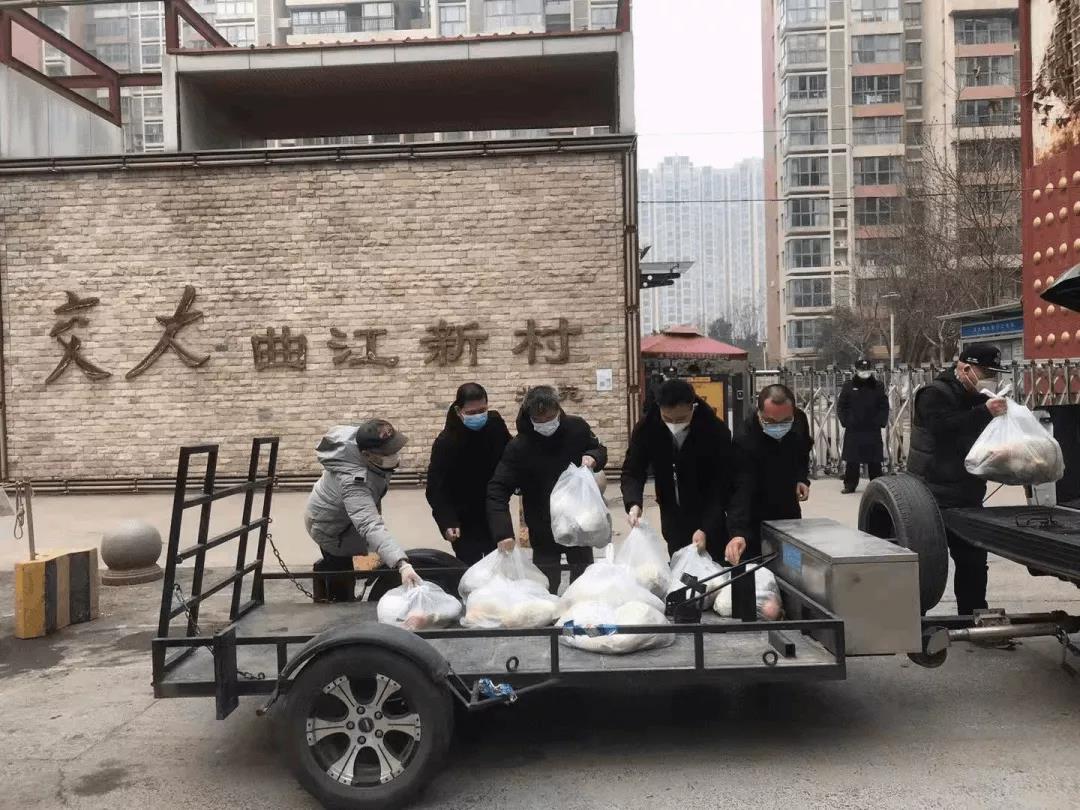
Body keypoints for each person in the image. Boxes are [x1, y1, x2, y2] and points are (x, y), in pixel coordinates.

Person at [906, 343, 1009, 616]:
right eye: (985, 372)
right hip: (930, 495)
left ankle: (972, 617)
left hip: (967, 493)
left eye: (994, 374)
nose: (990, 379)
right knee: (924, 564)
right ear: (964, 368)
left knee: (973, 561)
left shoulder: (978, 397)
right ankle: (914, 623)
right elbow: (943, 428)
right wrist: (985, 412)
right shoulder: (933, 394)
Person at [487, 385, 608, 592]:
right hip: (542, 524)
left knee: (584, 580)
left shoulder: (577, 428)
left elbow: (598, 448)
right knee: (545, 581)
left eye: (550, 418)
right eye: (538, 420)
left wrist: (593, 456)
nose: (545, 424)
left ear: (558, 409)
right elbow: (498, 488)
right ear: (529, 416)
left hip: (579, 520)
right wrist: (503, 532)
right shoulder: (519, 446)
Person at [304, 419, 421, 602]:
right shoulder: (353, 481)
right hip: (331, 528)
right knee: (340, 575)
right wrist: (402, 565)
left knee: (342, 566)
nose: (394, 454)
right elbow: (369, 523)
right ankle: (337, 608)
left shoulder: (361, 442)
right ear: (367, 455)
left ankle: (328, 576)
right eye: (387, 452)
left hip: (339, 516)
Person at [620, 378, 735, 557]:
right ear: (659, 407)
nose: (674, 424)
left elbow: (722, 484)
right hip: (672, 514)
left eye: (681, 419)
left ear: (692, 407)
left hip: (708, 511)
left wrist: (706, 528)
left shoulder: (714, 430)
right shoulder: (647, 428)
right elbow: (633, 470)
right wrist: (633, 503)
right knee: (679, 564)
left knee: (713, 567)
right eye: (667, 418)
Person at [725, 384, 813, 567]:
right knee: (758, 569)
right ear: (759, 413)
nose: (779, 426)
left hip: (788, 506)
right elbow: (741, 489)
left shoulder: (799, 420)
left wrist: (801, 478)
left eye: (785, 420)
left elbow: (803, 451)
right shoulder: (745, 439)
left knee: (792, 564)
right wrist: (738, 533)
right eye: (771, 421)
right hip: (756, 509)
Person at [425, 382, 512, 565]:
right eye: (471, 413)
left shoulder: (495, 425)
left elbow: (510, 456)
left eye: (482, 410)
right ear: (459, 410)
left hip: (494, 509)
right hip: (463, 517)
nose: (478, 416)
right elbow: (436, 488)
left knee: (501, 565)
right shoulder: (446, 442)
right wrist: (447, 521)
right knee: (470, 568)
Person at [838, 359, 890, 494]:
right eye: (862, 370)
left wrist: (880, 421)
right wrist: (846, 421)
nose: (865, 373)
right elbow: (841, 406)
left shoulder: (877, 386)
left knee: (875, 460)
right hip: (854, 429)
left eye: (867, 370)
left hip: (872, 428)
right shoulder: (849, 386)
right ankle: (850, 484)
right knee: (852, 459)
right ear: (856, 370)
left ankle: (877, 485)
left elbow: (884, 406)